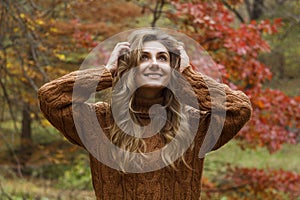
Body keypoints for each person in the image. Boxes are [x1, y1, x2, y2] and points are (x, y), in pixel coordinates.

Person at [38, 29, 252, 200]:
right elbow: (50, 97)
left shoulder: (193, 123)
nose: (154, 64)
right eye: (144, 57)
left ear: (172, 69)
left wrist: (188, 75)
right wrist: (108, 71)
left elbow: (239, 108)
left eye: (162, 58)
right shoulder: (101, 121)